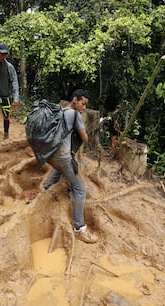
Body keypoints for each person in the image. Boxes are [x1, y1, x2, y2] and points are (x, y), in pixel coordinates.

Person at [42, 89, 98, 244]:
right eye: (83, 103)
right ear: (75, 100)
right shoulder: (75, 115)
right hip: (64, 157)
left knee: (57, 172)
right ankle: (80, 228)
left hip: (52, 155)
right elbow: (85, 138)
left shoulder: (60, 110)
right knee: (80, 189)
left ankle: (43, 191)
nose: (84, 107)